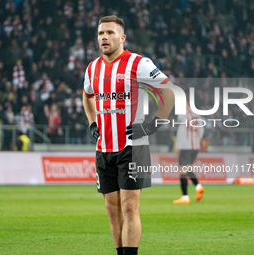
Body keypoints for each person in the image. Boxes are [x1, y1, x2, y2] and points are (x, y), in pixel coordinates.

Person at [83, 15, 174, 255]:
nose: (104, 37)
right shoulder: (92, 68)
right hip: (104, 149)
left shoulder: (139, 64)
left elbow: (169, 92)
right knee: (112, 209)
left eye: (110, 33)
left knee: (130, 207)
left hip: (134, 148)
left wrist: (153, 125)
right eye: (101, 33)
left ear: (122, 38)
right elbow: (87, 95)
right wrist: (92, 122)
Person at [173, 101, 205, 204]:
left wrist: (178, 146)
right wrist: (197, 141)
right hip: (195, 146)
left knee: (182, 171)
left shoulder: (183, 114)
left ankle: (185, 197)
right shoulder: (196, 114)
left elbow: (182, 130)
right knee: (187, 169)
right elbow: (202, 130)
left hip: (186, 146)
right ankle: (198, 186)